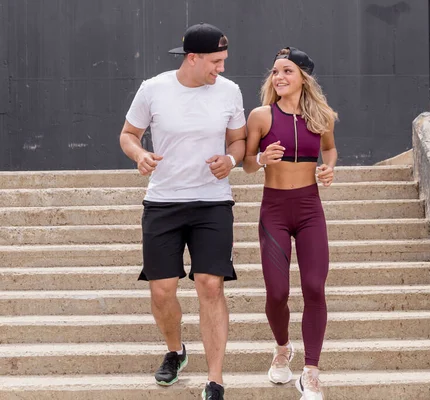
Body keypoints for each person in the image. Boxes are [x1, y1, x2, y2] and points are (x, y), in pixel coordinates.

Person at [119, 23, 246, 400]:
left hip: (212, 201)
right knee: (162, 290)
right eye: (215, 61)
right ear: (192, 58)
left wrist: (230, 159)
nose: (221, 68)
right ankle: (176, 351)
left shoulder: (229, 91)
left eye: (223, 61)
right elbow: (128, 134)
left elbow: (238, 140)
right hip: (163, 202)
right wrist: (140, 154)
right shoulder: (154, 89)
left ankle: (215, 379)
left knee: (210, 284)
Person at [242, 47, 338, 400]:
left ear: (303, 78)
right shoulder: (261, 116)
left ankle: (311, 371)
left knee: (315, 286)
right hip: (275, 210)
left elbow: (329, 149)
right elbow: (247, 165)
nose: (278, 77)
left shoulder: (321, 117)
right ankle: (282, 347)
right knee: (277, 292)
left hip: (310, 207)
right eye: (275, 72)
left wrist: (328, 167)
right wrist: (261, 158)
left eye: (287, 71)